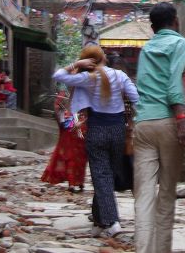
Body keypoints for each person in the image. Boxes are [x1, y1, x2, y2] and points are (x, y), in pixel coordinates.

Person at [52, 45, 138, 238]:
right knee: (108, 175)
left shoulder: (87, 78)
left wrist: (76, 64)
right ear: (104, 58)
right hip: (117, 130)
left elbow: (58, 75)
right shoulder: (120, 76)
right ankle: (99, 220)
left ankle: (112, 221)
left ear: (87, 61)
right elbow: (136, 98)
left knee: (102, 176)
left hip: (97, 130)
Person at [133, 2, 185, 253]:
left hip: (143, 124)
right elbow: (173, 85)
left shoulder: (146, 48)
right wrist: (182, 119)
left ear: (152, 26)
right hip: (168, 122)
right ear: (176, 22)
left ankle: (143, 249)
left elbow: (148, 84)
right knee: (167, 192)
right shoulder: (181, 44)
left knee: (143, 196)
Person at [41, 86, 88, 194]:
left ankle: (73, 183)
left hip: (70, 126)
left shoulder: (64, 92)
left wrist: (61, 123)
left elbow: (57, 108)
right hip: (80, 126)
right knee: (80, 156)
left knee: (71, 156)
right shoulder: (87, 89)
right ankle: (78, 182)